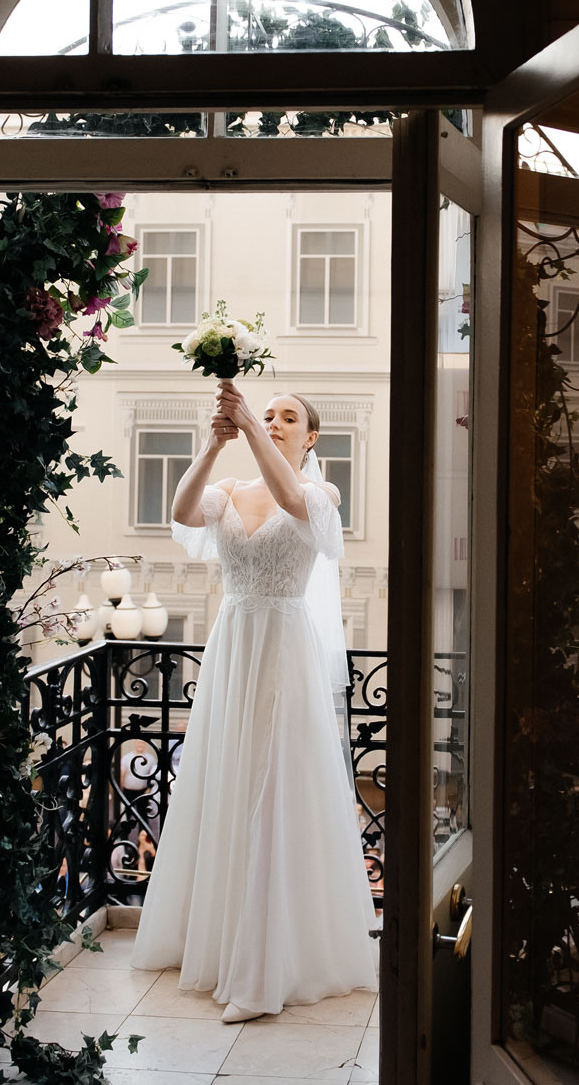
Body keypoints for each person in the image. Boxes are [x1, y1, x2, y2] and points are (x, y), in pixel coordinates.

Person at [130, 383, 378, 1022]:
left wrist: (250, 428)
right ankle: (218, 942)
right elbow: (182, 511)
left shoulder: (322, 494)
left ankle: (266, 968)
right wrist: (213, 445)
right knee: (230, 782)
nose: (274, 422)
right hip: (233, 646)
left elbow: (292, 500)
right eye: (267, 414)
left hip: (284, 649)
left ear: (310, 437)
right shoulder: (230, 490)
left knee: (274, 787)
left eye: (288, 417)